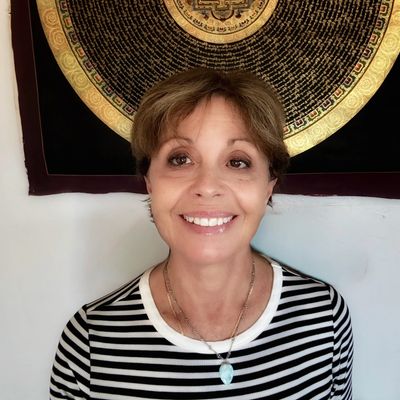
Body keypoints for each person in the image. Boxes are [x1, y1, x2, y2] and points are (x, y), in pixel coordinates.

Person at [50, 69, 353, 399]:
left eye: (237, 162)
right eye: (180, 159)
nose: (207, 186)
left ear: (268, 186)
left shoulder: (324, 318)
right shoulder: (89, 345)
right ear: (150, 182)